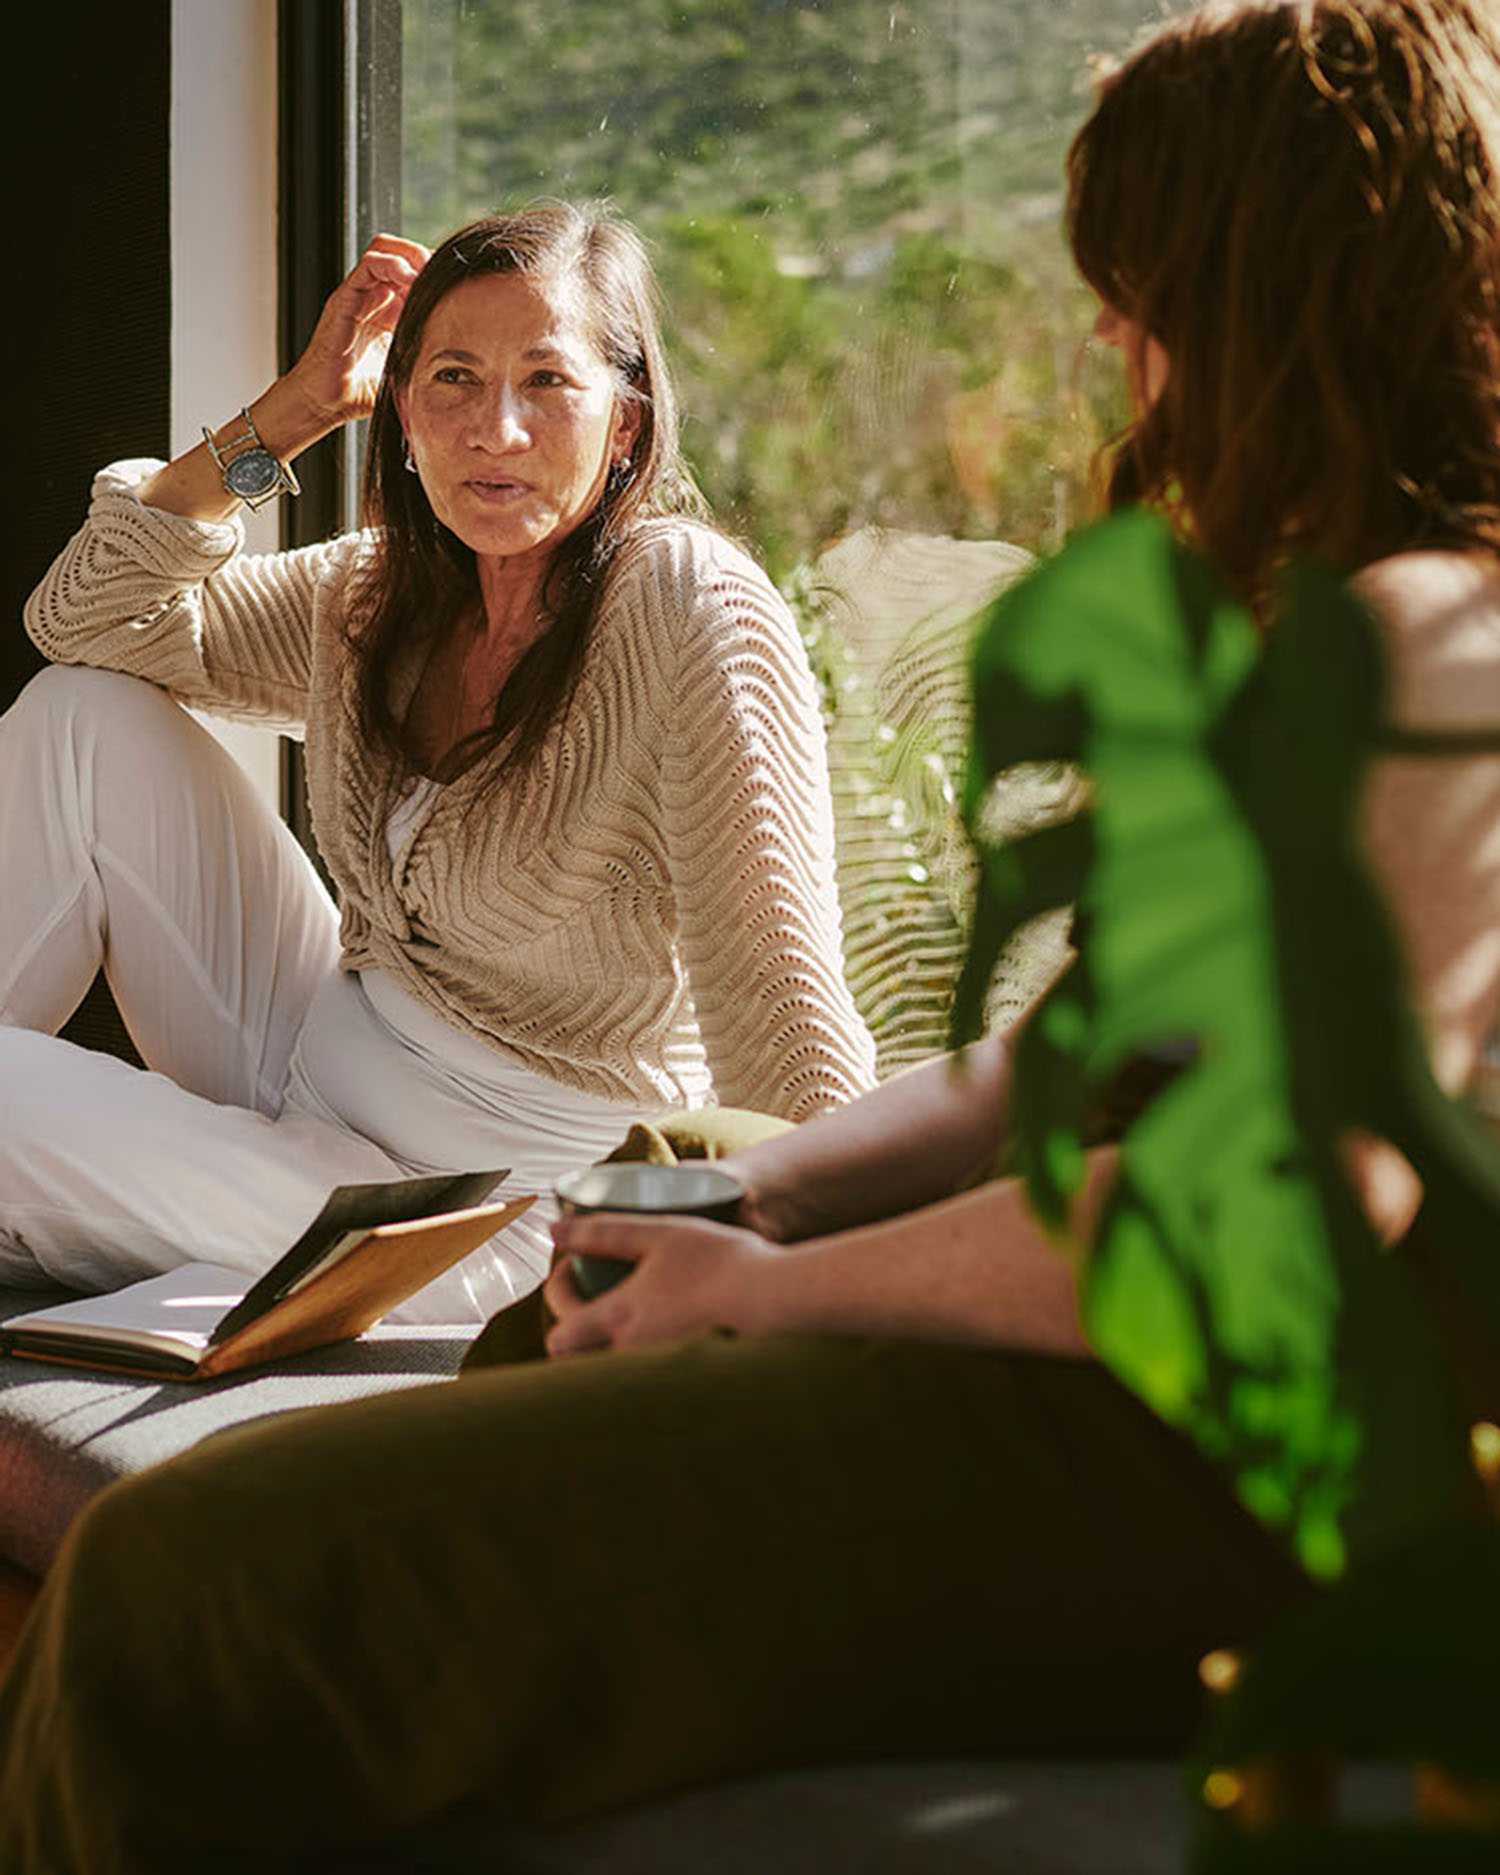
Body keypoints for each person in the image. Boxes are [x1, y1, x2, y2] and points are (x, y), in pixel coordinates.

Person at [4, 2, 1500, 1868]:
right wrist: (747, 1207)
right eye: (450, 382)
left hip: (1138, 1418)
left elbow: (1256, 1196)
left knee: (174, 1576)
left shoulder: (1425, 653)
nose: (1111, 343)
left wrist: (775, 1282)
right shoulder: (1320, 624)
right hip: (353, 1057)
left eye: (1140, 287)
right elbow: (1063, 1067)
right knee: (93, 730)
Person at [0, 200, 876, 1323]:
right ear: (402, 411)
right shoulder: (386, 592)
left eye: (549, 381)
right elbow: (86, 622)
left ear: (625, 422)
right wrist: (289, 414)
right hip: (312, 1054)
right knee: (82, 718)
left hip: (476, 1209)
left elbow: (784, 1012)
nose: (493, 429)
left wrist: (834, 1295)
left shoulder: (684, 609)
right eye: (453, 378)